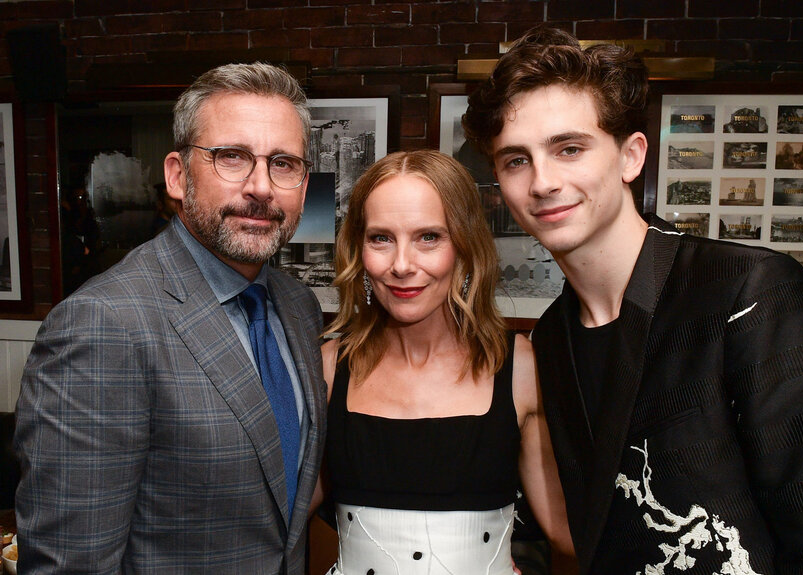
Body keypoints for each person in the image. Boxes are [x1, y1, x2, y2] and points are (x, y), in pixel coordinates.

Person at [462, 26, 803, 575]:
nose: (543, 182)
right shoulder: (553, 337)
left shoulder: (750, 290)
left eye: (569, 148)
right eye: (515, 161)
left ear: (631, 157)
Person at [15, 62, 326, 574]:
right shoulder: (102, 325)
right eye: (232, 157)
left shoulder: (297, 306)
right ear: (178, 176)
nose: (261, 187)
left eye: (284, 164)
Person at [315, 150, 573, 574]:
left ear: (464, 244)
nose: (401, 265)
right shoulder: (328, 367)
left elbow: (568, 533)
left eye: (428, 237)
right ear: (358, 249)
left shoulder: (519, 366)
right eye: (380, 238)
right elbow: (274, 517)